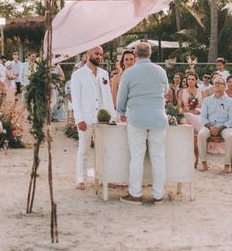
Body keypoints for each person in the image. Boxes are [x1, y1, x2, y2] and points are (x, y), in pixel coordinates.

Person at [116, 42, 168, 203]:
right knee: (158, 157)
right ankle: (158, 194)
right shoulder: (160, 71)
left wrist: (121, 111)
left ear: (136, 54)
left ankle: (135, 193)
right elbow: (165, 90)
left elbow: (121, 97)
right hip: (158, 117)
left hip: (137, 118)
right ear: (150, 53)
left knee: (137, 157)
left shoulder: (129, 73)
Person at [71, 46, 116, 191]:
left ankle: (104, 178)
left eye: (101, 54)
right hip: (86, 117)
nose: (99, 57)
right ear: (88, 54)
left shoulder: (103, 73)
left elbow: (107, 96)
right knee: (84, 149)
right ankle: (81, 179)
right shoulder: (78, 75)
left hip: (102, 118)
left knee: (104, 150)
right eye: (96, 54)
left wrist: (112, 116)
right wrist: (79, 119)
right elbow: (76, 99)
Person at [197, 76, 232, 173]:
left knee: (230, 136)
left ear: (225, 86)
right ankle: (203, 163)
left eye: (220, 83)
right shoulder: (207, 100)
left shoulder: (231, 102)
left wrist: (219, 129)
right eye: (215, 83)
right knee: (201, 134)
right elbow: (203, 117)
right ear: (213, 87)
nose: (217, 85)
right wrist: (210, 127)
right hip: (209, 125)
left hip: (225, 126)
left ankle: (227, 164)